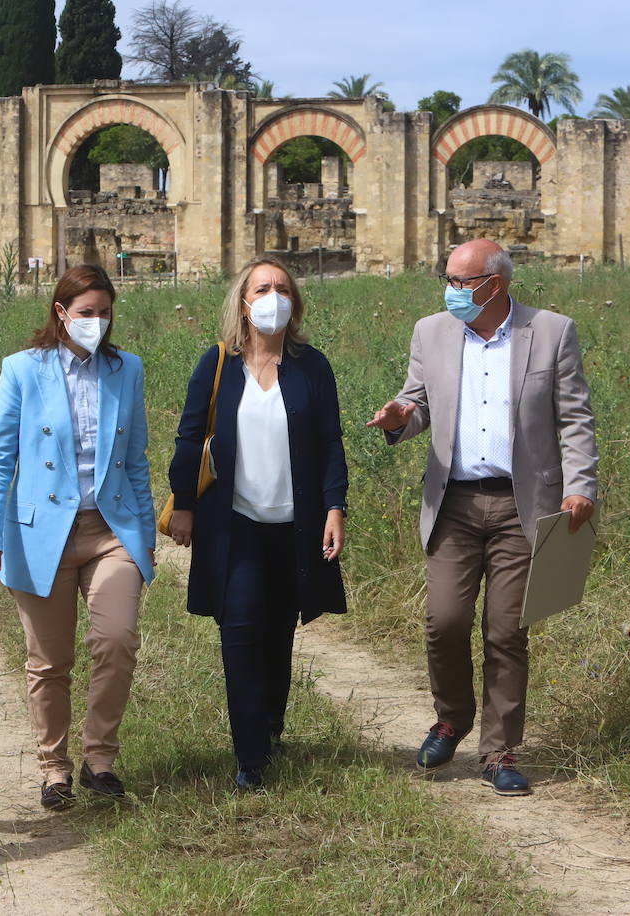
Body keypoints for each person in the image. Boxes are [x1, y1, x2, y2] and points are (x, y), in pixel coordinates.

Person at [367, 238, 597, 796]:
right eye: (446, 278)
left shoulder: (551, 331)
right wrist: (402, 415)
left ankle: (499, 751)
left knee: (506, 630)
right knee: (444, 621)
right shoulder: (432, 332)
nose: (451, 291)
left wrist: (580, 486)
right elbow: (417, 402)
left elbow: (574, 419)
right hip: (455, 504)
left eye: (462, 282)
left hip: (525, 505)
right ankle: (452, 719)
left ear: (495, 284)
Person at [168, 256, 347, 790]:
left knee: (278, 636)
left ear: (295, 302)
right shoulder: (219, 363)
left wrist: (334, 507)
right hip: (235, 525)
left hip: (296, 526)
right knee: (240, 632)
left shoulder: (312, 366)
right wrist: (183, 503)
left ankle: (270, 723)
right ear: (243, 303)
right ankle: (250, 756)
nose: (274, 296)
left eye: (283, 288)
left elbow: (329, 443)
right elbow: (188, 436)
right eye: (263, 287)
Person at [0, 265, 156, 810]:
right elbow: (1, 461)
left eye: (105, 313)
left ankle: (99, 758)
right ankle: (54, 766)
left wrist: (145, 534)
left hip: (111, 530)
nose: (97, 323)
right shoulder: (21, 370)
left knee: (116, 641)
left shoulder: (126, 369)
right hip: (42, 535)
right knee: (49, 661)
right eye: (86, 313)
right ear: (61, 313)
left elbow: (135, 460)